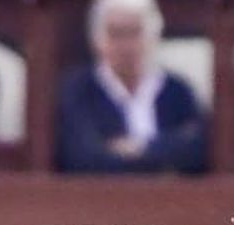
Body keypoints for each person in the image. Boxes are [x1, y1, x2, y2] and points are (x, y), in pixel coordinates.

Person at [56, 0, 207, 173]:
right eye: (116, 34)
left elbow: (196, 151)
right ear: (96, 40)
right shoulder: (77, 91)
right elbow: (82, 158)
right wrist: (163, 154)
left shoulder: (179, 92)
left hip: (173, 198)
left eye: (135, 33)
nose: (126, 46)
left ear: (154, 36)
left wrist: (142, 148)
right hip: (100, 198)